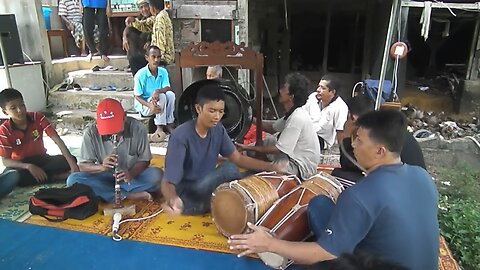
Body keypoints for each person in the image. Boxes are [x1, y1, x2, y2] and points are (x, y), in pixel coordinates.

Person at [229, 110, 439, 270]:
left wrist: (269, 243)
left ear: (380, 151)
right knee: (321, 204)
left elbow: (321, 253)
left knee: (315, 229)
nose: (353, 145)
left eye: (359, 140)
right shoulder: (423, 177)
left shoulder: (359, 196)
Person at [160, 85, 287, 215]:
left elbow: (238, 158)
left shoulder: (218, 129)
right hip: (189, 193)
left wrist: (271, 167)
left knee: (250, 173)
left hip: (207, 184)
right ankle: (213, 203)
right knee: (229, 169)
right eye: (212, 111)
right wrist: (173, 199)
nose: (217, 116)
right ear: (198, 108)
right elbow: (168, 181)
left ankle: (215, 202)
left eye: (220, 111)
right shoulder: (180, 136)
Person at [66, 98, 162, 202]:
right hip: (103, 178)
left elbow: (145, 160)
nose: (113, 134)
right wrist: (102, 167)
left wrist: (130, 174)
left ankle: (106, 193)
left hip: (130, 178)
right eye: (107, 130)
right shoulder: (91, 133)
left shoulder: (138, 128)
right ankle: (127, 195)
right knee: (73, 180)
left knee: (158, 176)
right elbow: (82, 166)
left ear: (124, 117)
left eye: (115, 128)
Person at [236, 73, 320, 180]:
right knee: (268, 140)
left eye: (284, 88)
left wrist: (248, 147)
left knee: (279, 167)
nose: (280, 91)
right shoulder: (293, 114)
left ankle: (241, 163)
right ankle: (233, 154)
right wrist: (250, 119)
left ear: (291, 96)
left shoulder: (297, 117)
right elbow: (272, 127)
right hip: (292, 156)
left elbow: (279, 149)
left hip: (302, 166)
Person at [332, 95, 426, 182]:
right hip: (413, 179)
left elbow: (351, 165)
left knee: (339, 175)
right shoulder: (385, 127)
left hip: (398, 183)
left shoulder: (369, 133)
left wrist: (346, 137)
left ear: (352, 117)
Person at [0, 88, 79, 189]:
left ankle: (44, 176)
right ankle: (55, 176)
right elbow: (5, 161)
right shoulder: (4, 130)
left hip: (42, 159)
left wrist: (73, 166)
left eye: (22, 105)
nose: (20, 110)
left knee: (70, 159)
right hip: (22, 164)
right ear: (5, 112)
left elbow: (57, 140)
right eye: (13, 108)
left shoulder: (37, 117)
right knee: (15, 176)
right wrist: (29, 166)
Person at [134, 45, 175, 142]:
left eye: (159, 57)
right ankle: (159, 127)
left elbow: (167, 87)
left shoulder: (163, 71)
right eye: (153, 57)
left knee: (170, 95)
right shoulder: (140, 74)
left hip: (159, 101)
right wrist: (150, 105)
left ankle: (169, 123)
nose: (156, 60)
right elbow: (137, 96)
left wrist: (157, 91)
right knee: (162, 97)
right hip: (145, 105)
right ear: (147, 58)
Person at [312, 74, 349, 150]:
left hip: (321, 140)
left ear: (332, 92)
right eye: (319, 86)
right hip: (306, 133)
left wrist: (342, 152)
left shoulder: (340, 107)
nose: (318, 90)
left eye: (323, 88)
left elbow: (340, 132)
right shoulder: (312, 98)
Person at [149, 0, 174, 65]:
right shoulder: (162, 15)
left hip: (163, 57)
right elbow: (147, 23)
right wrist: (134, 22)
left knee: (134, 59)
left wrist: (157, 59)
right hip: (161, 55)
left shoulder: (160, 18)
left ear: (153, 8)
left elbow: (160, 41)